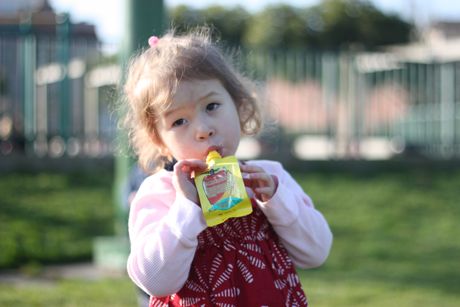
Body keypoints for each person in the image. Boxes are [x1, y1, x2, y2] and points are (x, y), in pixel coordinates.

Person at [122, 28, 333, 306]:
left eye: (211, 106)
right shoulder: (159, 193)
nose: (203, 129)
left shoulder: (269, 178)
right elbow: (155, 282)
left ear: (239, 104)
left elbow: (316, 252)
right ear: (158, 140)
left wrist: (278, 200)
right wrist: (186, 210)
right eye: (179, 122)